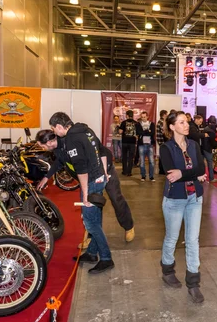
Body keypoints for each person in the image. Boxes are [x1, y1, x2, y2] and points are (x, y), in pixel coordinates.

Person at [35, 130, 135, 243]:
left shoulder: (70, 142)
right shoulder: (58, 148)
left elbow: (100, 151)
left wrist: (105, 172)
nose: (42, 148)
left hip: (104, 169)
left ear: (48, 142)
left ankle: (128, 226)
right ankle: (92, 237)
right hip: (89, 175)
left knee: (115, 198)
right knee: (91, 206)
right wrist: (47, 177)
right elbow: (59, 161)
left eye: (41, 145)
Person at [49, 112, 114, 274]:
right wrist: (104, 173)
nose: (55, 133)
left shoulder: (71, 139)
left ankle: (106, 258)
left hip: (91, 181)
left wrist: (85, 194)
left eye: (54, 129)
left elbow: (81, 169)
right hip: (99, 177)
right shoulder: (86, 130)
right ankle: (92, 253)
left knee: (90, 223)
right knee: (96, 219)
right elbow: (103, 150)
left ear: (59, 126)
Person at [159, 111, 207, 303]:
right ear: (172, 127)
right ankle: (167, 270)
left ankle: (193, 283)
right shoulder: (165, 148)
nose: (186, 125)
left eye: (186, 122)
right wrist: (193, 174)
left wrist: (185, 173)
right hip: (174, 199)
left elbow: (202, 169)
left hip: (195, 198)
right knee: (172, 237)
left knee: (192, 240)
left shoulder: (194, 145)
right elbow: (171, 174)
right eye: (181, 122)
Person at [119, 110, 141, 177]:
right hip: (132, 143)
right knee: (131, 158)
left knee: (124, 157)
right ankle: (129, 172)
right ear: (132, 115)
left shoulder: (123, 122)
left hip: (124, 142)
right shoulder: (136, 123)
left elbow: (120, 132)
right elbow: (138, 134)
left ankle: (124, 171)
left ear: (127, 115)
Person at [201, 117, 217, 183]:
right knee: (210, 163)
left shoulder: (207, 128)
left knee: (202, 163)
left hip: (202, 147)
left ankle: (202, 177)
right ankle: (211, 178)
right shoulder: (212, 132)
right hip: (207, 148)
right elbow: (213, 143)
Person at [138, 111, 156, 182]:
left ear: (147, 117)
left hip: (150, 145)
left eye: (144, 117)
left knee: (151, 161)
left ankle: (151, 176)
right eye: (142, 117)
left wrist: (144, 132)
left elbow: (152, 133)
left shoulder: (152, 124)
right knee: (142, 162)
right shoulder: (138, 124)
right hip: (141, 145)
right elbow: (138, 132)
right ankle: (143, 176)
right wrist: (147, 131)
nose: (143, 118)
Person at [156, 110, 169, 175]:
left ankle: (162, 170)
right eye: (166, 114)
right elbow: (164, 132)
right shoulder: (161, 122)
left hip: (160, 140)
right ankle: (162, 170)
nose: (167, 115)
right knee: (162, 156)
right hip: (162, 141)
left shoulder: (160, 121)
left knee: (162, 155)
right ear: (164, 114)